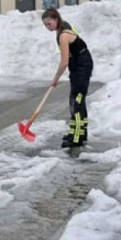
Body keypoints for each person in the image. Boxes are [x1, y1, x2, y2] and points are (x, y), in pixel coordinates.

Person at [42, 8, 94, 149]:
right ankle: (80, 134)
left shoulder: (63, 35)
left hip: (82, 66)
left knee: (77, 100)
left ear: (56, 19)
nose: (48, 27)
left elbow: (64, 61)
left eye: (49, 23)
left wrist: (55, 79)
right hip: (78, 64)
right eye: (45, 25)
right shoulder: (63, 27)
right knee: (76, 99)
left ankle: (76, 138)